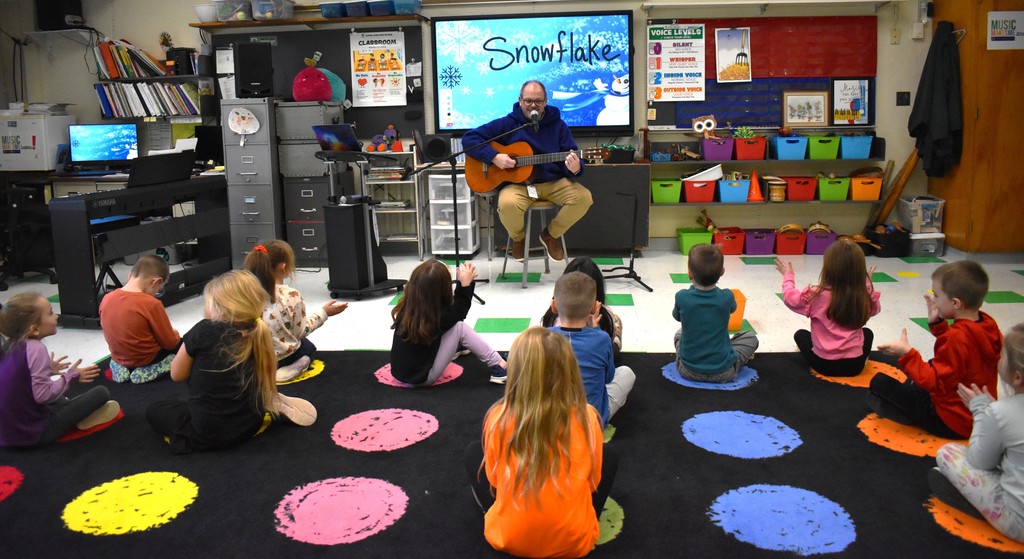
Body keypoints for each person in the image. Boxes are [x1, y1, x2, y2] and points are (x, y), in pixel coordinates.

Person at [464, 327, 616, 558]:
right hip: (575, 543)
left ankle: (516, 521)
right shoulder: (587, 418)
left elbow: (495, 481)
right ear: (570, 371)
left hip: (508, 538)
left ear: (516, 373)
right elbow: (592, 481)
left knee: (474, 452)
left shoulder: (498, 418)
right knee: (610, 456)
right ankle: (569, 521)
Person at [145, 270, 316, 454]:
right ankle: (266, 399)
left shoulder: (204, 330)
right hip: (250, 425)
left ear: (221, 306)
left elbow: (176, 375)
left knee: (155, 409)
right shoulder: (260, 331)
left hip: (207, 434)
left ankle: (255, 402)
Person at [462, 80, 593, 263]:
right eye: (528, 100)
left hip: (553, 182)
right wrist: (494, 157)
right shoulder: (509, 123)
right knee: (507, 204)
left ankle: (551, 235)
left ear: (546, 101)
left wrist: (576, 167)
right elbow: (470, 139)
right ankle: (518, 239)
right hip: (519, 185)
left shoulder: (558, 125)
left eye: (538, 101)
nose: (533, 105)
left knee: (584, 197)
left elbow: (571, 155)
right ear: (520, 100)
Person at [874, 260, 1002, 439]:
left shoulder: (957, 338)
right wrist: (938, 324)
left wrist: (907, 354)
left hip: (951, 421)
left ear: (956, 303)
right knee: (919, 375)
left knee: (880, 383)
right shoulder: (988, 323)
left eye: (937, 295)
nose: (933, 299)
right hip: (977, 415)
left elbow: (935, 383)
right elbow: (961, 353)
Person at [929, 322, 1024, 541]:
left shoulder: (1001, 412)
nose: (999, 359)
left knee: (948, 453)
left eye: (1003, 356)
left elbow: (980, 461)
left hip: (1018, 523)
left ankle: (976, 504)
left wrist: (981, 410)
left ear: (1017, 377)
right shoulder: (1003, 411)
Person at [0, 292, 120, 447]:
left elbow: (18, 382)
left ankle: (74, 411)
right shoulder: (36, 348)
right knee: (101, 392)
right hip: (34, 434)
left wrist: (47, 371)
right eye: (50, 313)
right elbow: (42, 396)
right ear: (35, 329)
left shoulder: (10, 345)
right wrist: (70, 376)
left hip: (7, 432)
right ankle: (79, 417)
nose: (56, 316)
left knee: (60, 396)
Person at [243, 241, 348, 382]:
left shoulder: (244, 293)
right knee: (308, 347)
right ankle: (290, 368)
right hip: (283, 357)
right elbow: (301, 331)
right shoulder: (291, 295)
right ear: (283, 267)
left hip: (255, 358)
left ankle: (260, 371)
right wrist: (324, 313)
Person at [390, 260, 507, 386]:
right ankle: (499, 365)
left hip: (400, 374)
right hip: (422, 378)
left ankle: (456, 346)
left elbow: (454, 312)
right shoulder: (439, 316)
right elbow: (460, 311)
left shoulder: (408, 307)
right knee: (459, 328)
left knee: (450, 323)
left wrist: (462, 283)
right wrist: (465, 285)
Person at [775, 239, 882, 377]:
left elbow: (790, 298)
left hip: (824, 364)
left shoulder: (817, 295)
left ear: (827, 268)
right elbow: (875, 309)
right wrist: (866, 284)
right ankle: (861, 358)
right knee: (868, 333)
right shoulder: (864, 295)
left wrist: (788, 276)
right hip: (855, 366)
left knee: (800, 335)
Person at [548, 271, 634, 426]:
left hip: (554, 422)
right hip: (591, 424)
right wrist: (594, 332)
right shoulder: (601, 339)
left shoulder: (543, 338)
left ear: (553, 306)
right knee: (627, 373)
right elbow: (608, 378)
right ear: (595, 308)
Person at [673, 243, 758, 383]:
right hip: (724, 372)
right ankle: (730, 356)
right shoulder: (727, 296)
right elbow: (733, 309)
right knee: (750, 337)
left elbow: (676, 317)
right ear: (722, 272)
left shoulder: (682, 297)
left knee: (679, 334)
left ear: (689, 273)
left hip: (687, 370)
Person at [99, 255, 181, 383]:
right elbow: (169, 342)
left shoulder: (106, 299)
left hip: (119, 357)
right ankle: (149, 370)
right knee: (183, 345)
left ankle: (121, 368)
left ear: (129, 276)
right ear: (157, 282)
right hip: (147, 359)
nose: (156, 293)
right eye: (158, 290)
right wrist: (175, 334)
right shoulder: (151, 304)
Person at [541, 256, 623, 363]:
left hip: (559, 377)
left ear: (554, 305)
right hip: (594, 373)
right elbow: (608, 372)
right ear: (594, 306)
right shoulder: (606, 319)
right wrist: (595, 331)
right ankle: (617, 340)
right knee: (625, 371)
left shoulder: (548, 331)